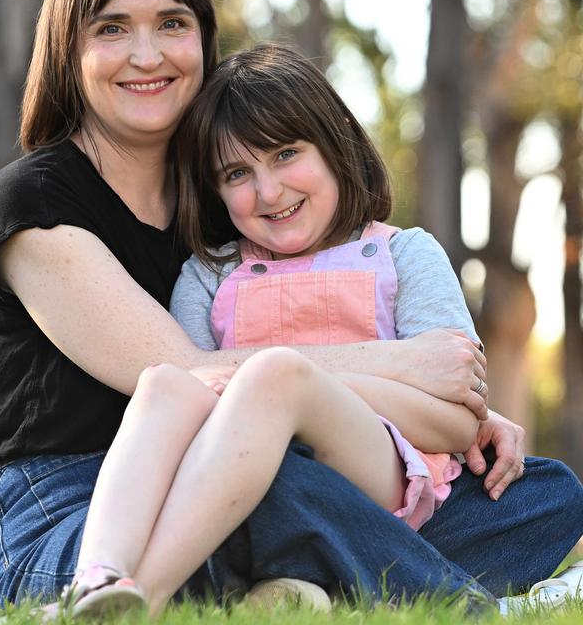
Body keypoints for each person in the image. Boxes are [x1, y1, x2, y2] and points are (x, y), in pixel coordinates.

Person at [0, 0, 583, 617]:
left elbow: (286, 402)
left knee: (540, 493)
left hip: (257, 468)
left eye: (172, 23)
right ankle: (479, 606)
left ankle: (304, 583)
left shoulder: (226, 198)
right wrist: (405, 365)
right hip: (75, 511)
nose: (147, 54)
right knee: (280, 494)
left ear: (203, 38)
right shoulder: (35, 203)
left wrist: (464, 418)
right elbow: (189, 374)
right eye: (111, 29)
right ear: (67, 50)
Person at [62, 43, 482, 617]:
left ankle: (148, 598)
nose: (269, 191)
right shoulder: (210, 274)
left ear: (335, 146)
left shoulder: (403, 254)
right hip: (251, 480)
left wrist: (302, 392)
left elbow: (459, 422)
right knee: (164, 379)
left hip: (380, 474)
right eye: (239, 173)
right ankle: (99, 576)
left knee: (274, 376)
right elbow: (196, 400)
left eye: (286, 154)